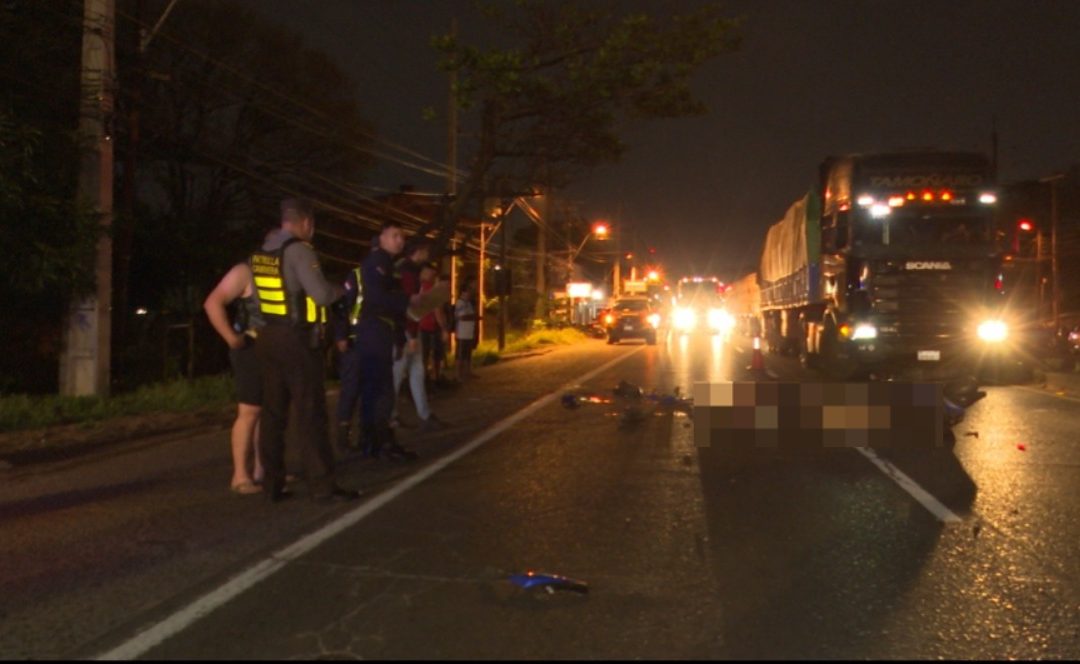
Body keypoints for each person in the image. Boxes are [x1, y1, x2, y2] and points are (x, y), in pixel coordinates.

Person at [251, 198, 359, 504]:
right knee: (310, 412)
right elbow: (321, 295)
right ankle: (323, 486)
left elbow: (257, 301)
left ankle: (272, 485)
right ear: (307, 223)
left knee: (273, 413)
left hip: (267, 337)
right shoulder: (299, 250)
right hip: (296, 340)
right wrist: (342, 290)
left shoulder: (260, 253)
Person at [357, 220, 425, 461]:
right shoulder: (378, 262)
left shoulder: (390, 264)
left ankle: (376, 441)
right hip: (373, 330)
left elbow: (392, 302)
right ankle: (379, 443)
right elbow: (378, 298)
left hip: (382, 331)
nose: (400, 240)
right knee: (381, 391)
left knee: (380, 389)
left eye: (402, 237)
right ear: (382, 238)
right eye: (395, 235)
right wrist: (407, 301)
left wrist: (399, 337)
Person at [203, 255, 265, 495]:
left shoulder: (278, 272)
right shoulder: (245, 271)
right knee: (249, 411)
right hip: (249, 349)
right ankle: (240, 475)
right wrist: (231, 338)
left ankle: (263, 469)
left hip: (270, 351)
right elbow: (212, 302)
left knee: (266, 410)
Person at [391, 242, 446, 433]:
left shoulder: (405, 270)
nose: (427, 256)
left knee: (416, 372)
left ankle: (423, 414)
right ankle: (391, 416)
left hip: (408, 330)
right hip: (405, 331)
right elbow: (407, 306)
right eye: (425, 251)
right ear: (418, 251)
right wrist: (411, 335)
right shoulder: (407, 274)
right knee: (399, 374)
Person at [331, 261, 364, 452]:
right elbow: (343, 308)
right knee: (351, 388)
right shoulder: (357, 277)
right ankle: (343, 432)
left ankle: (366, 433)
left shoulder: (385, 276)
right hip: (354, 341)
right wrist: (341, 335)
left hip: (372, 340)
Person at [420, 270, 451, 388]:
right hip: (430, 327)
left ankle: (428, 380)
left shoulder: (423, 287)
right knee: (434, 355)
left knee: (426, 356)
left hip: (422, 326)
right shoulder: (435, 291)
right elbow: (438, 312)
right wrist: (444, 329)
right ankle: (433, 380)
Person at [454, 277, 480, 382]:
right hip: (462, 333)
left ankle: (467, 372)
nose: (470, 294)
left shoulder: (468, 303)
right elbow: (462, 317)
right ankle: (458, 374)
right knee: (460, 354)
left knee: (467, 354)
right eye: (468, 291)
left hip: (469, 332)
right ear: (464, 292)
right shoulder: (460, 303)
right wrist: (474, 317)